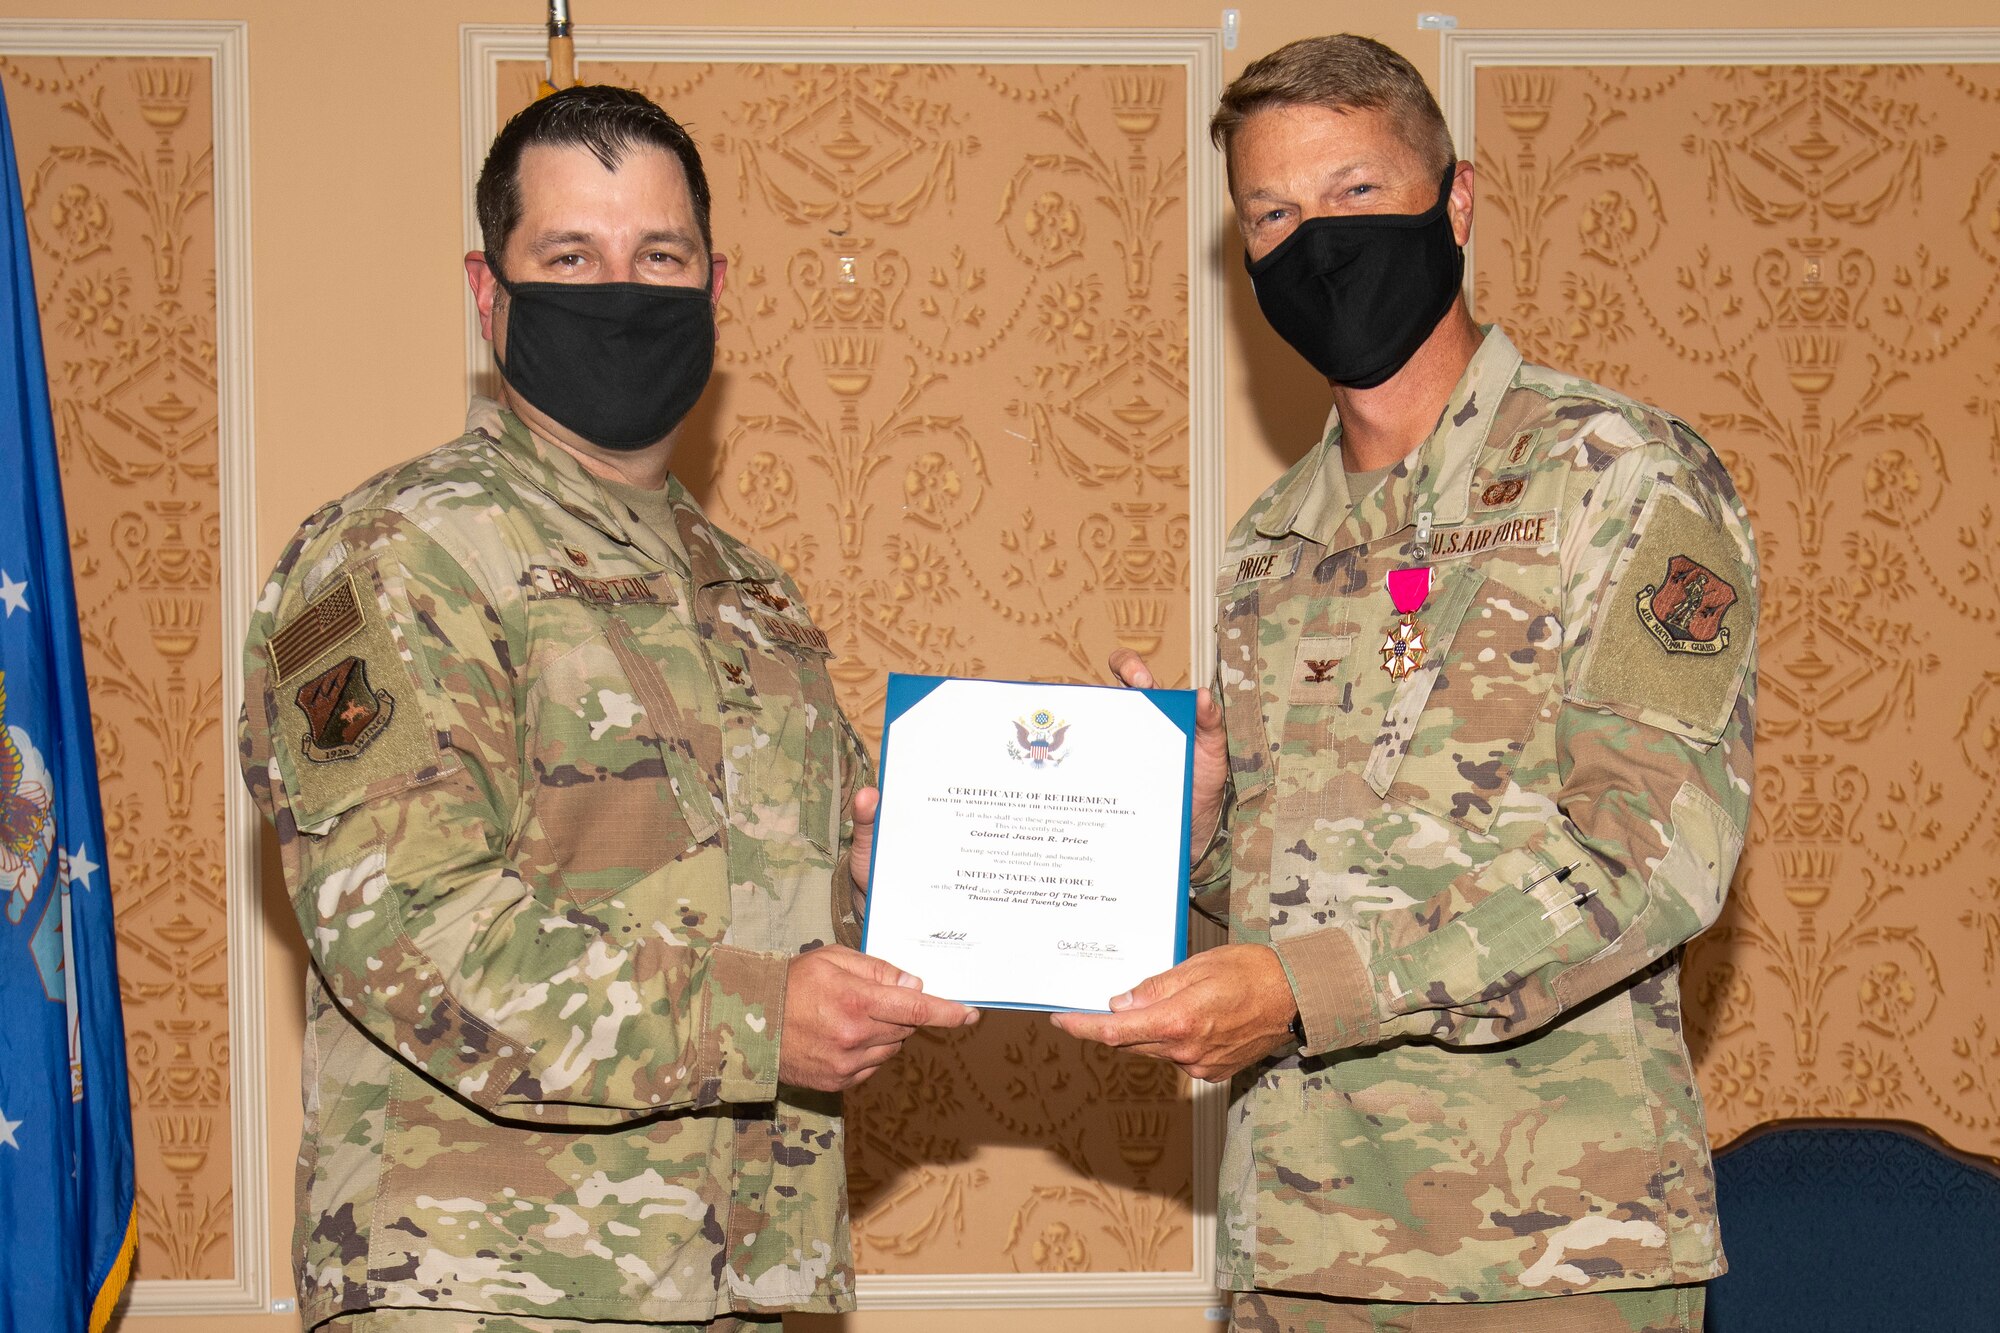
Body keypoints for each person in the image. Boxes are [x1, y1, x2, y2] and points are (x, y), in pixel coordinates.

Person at [237, 85, 977, 1332]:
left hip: (732, 1271)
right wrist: (757, 1019)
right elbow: (407, 929)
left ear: (712, 285)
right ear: (490, 292)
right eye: (570, 256)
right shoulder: (397, 557)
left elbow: (814, 881)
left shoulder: (748, 596)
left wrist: (1034, 845)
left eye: (658, 256)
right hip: (483, 1282)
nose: (620, 290)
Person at [1057, 35, 1754, 1333]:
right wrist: (1198, 823)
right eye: (1273, 212)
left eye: (1355, 192)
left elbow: (1649, 863)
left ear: (1458, 200)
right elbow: (1286, 888)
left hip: (1545, 1258)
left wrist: (1305, 988)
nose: (1315, 240)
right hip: (1300, 1250)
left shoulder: (1624, 477)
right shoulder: (1274, 542)